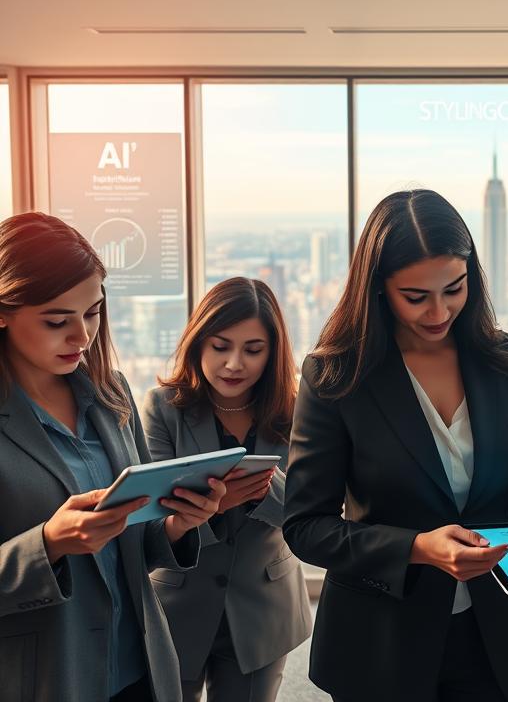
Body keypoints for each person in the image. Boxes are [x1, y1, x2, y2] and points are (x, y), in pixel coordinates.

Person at [283, 189, 508, 702]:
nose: (439, 311)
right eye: (416, 297)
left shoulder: (505, 358)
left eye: (455, 288)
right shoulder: (337, 376)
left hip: (493, 636)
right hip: (380, 642)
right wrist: (418, 549)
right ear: (378, 288)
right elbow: (306, 526)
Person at [0, 212, 226, 702]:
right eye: (57, 320)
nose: (82, 336)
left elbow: (132, 542)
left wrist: (178, 524)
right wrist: (48, 545)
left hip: (139, 667)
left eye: (93, 312)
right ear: (3, 311)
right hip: (45, 675)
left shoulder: (111, 393)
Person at [142, 277, 311, 702]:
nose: (234, 363)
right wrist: (218, 505)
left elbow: (311, 513)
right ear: (198, 343)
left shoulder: (299, 411)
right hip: (176, 604)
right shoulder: (163, 408)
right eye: (220, 347)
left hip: (263, 607)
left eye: (253, 350)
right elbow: (153, 514)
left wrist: (257, 490)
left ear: (272, 352)